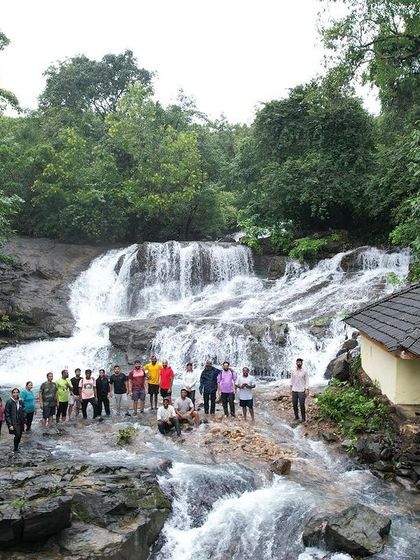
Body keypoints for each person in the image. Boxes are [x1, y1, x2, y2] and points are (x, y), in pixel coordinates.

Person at [5, 388, 25, 452]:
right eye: (14, 392)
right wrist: (10, 424)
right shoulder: (9, 402)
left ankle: (17, 446)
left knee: (20, 435)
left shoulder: (21, 401)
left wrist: (25, 421)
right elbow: (7, 414)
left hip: (20, 421)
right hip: (14, 422)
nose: (15, 394)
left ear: (19, 393)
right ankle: (15, 448)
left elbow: (24, 411)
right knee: (17, 434)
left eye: (17, 392)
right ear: (12, 393)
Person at [290, 358, 309, 422]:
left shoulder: (305, 371)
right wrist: (290, 388)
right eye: (298, 362)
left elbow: (307, 381)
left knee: (302, 405)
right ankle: (297, 417)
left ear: (302, 363)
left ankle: (303, 418)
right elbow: (291, 379)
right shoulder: (293, 370)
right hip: (294, 390)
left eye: (300, 362)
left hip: (301, 390)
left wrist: (307, 389)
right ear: (296, 363)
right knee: (294, 404)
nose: (299, 363)